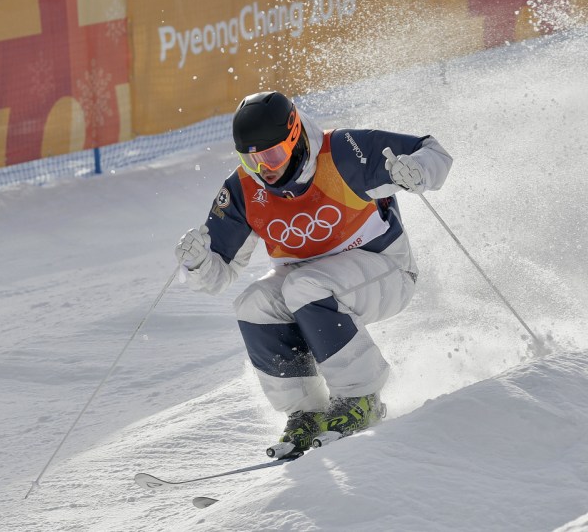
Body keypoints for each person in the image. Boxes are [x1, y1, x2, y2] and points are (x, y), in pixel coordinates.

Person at [175, 91, 452, 455]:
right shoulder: (244, 188)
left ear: (293, 136)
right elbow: (217, 275)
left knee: (306, 286)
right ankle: (307, 411)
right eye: (251, 159)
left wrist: (417, 171)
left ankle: (360, 397)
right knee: (253, 303)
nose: (264, 169)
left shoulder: (343, 152)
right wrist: (197, 263)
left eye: (271, 155)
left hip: (386, 270)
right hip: (310, 285)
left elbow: (433, 152)